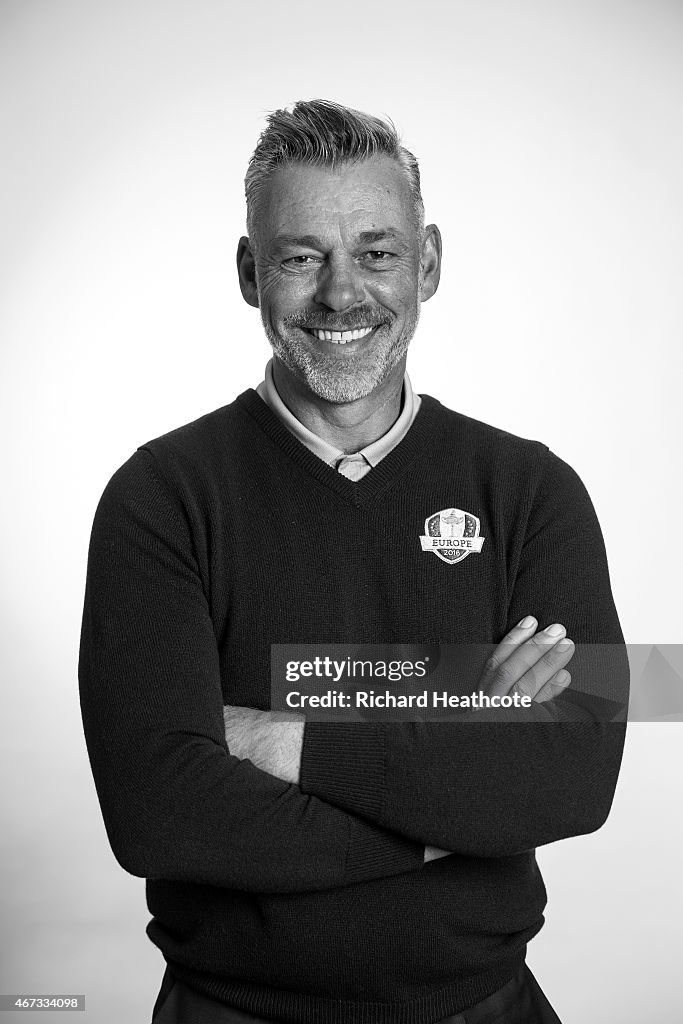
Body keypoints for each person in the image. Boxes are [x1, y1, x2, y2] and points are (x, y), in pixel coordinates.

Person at [78, 99, 628, 1024]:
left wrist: (271, 737)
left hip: (485, 1007)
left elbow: (576, 775)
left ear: (429, 262)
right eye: (301, 257)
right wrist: (459, 775)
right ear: (252, 274)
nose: (341, 295)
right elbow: (158, 812)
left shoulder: (535, 490)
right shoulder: (158, 497)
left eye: (376, 252)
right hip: (228, 1010)